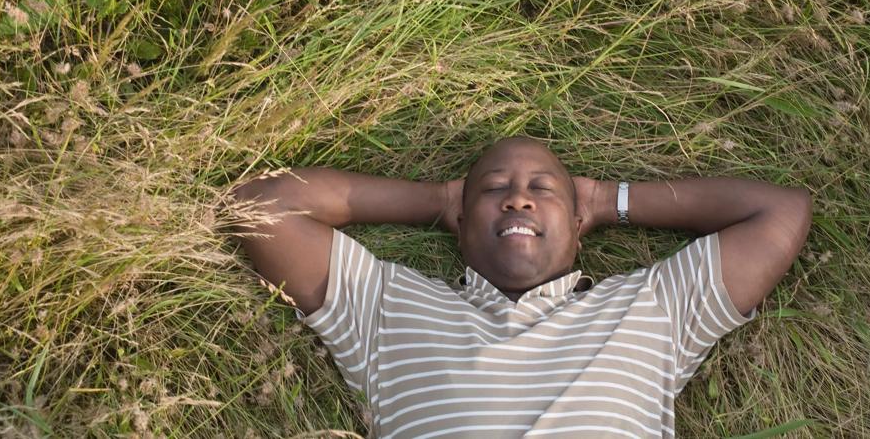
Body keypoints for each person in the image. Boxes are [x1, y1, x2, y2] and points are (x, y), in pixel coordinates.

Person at [228, 136, 812, 438]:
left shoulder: (653, 309)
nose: (518, 196)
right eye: (493, 189)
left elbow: (778, 212)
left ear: (579, 225)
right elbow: (261, 206)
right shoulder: (388, 310)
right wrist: (437, 200)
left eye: (543, 188)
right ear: (460, 223)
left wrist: (610, 200)